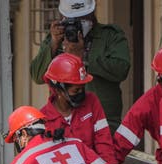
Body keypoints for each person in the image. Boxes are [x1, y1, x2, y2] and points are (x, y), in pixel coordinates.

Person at [30, 0, 131, 134]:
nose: (77, 24)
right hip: (64, 123)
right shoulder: (57, 39)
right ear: (62, 18)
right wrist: (53, 45)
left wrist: (83, 57)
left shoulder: (110, 35)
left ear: (92, 14)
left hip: (102, 122)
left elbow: (121, 70)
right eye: (71, 20)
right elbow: (37, 76)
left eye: (82, 19)